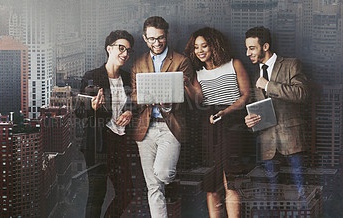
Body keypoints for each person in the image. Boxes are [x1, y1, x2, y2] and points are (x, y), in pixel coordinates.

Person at [130, 16, 194, 218]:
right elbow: (133, 94)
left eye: (160, 38)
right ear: (144, 38)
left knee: (163, 174)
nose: (156, 43)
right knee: (153, 187)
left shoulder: (181, 61)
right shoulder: (138, 63)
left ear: (167, 35)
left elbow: (190, 99)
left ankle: (171, 183)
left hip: (170, 125)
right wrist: (145, 98)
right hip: (145, 127)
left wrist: (170, 103)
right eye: (151, 39)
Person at [184, 27, 250, 218]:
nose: (200, 50)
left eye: (204, 45)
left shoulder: (233, 64)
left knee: (231, 181)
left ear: (215, 46)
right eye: (196, 47)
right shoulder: (199, 73)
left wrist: (226, 111)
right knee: (211, 182)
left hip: (234, 123)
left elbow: (245, 95)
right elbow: (198, 100)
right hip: (210, 124)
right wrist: (188, 83)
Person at [244, 26, 309, 200]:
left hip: (292, 140)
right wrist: (250, 122)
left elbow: (301, 94)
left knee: (301, 193)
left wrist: (267, 85)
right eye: (247, 48)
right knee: (272, 196)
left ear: (265, 47)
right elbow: (254, 106)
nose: (247, 53)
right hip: (266, 143)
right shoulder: (252, 74)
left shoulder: (291, 64)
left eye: (252, 48)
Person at [80, 30, 134, 218]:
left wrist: (129, 112)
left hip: (121, 142)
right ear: (108, 48)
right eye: (121, 48)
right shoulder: (92, 76)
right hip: (98, 144)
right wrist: (92, 107)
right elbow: (79, 112)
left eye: (128, 50)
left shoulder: (128, 78)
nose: (125, 53)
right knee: (97, 195)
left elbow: (133, 103)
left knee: (127, 192)